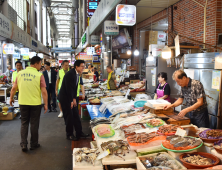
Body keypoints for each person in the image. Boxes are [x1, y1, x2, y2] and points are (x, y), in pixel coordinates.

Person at [9, 56, 48, 152]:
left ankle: (24, 144)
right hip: (35, 103)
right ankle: (34, 144)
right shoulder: (39, 75)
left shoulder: (20, 74)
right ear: (37, 63)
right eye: (40, 64)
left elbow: (14, 88)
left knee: (24, 123)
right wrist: (46, 104)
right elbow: (44, 91)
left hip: (23, 102)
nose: (40, 66)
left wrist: (11, 98)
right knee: (34, 124)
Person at [58, 60, 89, 141]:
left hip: (71, 97)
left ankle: (79, 132)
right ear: (76, 66)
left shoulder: (77, 74)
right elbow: (69, 89)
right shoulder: (70, 74)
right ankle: (69, 135)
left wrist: (74, 98)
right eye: (82, 66)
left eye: (83, 66)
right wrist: (71, 100)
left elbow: (74, 88)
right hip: (65, 99)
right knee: (69, 117)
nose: (83, 68)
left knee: (76, 116)